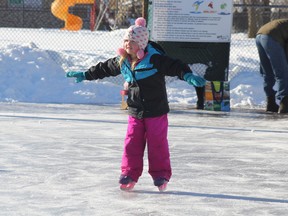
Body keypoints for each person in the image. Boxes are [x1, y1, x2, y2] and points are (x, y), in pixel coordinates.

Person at [66, 17, 206, 191]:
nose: (127, 45)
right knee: (131, 142)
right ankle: (129, 174)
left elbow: (175, 66)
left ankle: (161, 175)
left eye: (132, 42)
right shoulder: (122, 61)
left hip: (156, 110)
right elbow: (104, 68)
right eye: (125, 41)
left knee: (157, 143)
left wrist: (187, 75)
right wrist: (85, 74)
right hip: (135, 110)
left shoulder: (155, 59)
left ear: (141, 44)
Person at [255, 19, 288, 114]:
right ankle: (285, 104)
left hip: (259, 35)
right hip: (272, 37)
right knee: (282, 72)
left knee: (267, 72)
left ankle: (270, 103)